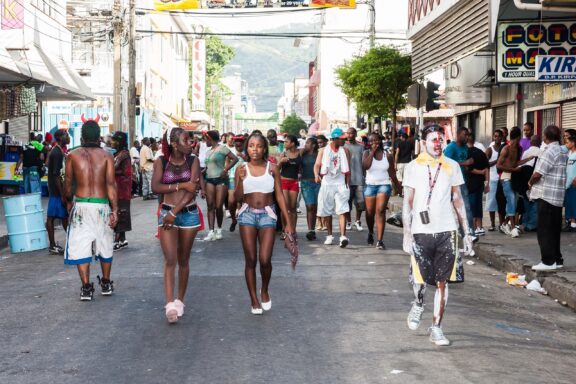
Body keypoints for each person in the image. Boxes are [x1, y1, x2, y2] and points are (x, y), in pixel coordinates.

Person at [402, 124, 473, 347]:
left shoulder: (452, 166)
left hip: (447, 230)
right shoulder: (413, 167)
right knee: (420, 281)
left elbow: (458, 199)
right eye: (433, 139)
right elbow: (408, 203)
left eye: (441, 139)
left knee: (443, 282)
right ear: (423, 142)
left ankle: (437, 327)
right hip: (421, 231)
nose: (438, 143)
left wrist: (467, 233)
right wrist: (406, 233)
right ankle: (418, 303)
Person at [234, 132, 293, 315]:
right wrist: (241, 181)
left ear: (264, 148)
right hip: (247, 215)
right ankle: (253, 299)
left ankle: (264, 289)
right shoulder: (241, 168)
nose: (255, 149)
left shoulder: (272, 168)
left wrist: (287, 222)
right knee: (250, 260)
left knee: (265, 260)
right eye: (251, 145)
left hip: (268, 215)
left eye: (259, 146)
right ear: (247, 148)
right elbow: (236, 198)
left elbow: (280, 196)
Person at [151, 127, 201, 323]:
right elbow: (156, 187)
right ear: (174, 144)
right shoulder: (162, 161)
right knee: (170, 259)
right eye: (186, 140)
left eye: (190, 140)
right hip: (166, 212)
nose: (190, 143)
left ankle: (180, 301)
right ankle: (170, 304)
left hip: (187, 214)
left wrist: (174, 212)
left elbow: (193, 189)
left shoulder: (193, 161)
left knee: (184, 260)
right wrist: (180, 186)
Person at [64, 121, 118, 301]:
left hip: (81, 206)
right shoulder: (107, 156)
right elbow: (111, 185)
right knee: (105, 243)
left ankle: (86, 287)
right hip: (102, 205)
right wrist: (115, 211)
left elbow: (68, 186)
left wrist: (68, 203)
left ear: (81, 137)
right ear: (98, 137)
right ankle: (106, 282)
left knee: (80, 247)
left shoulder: (72, 155)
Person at [529, 125, 568, 271]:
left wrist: (530, 182)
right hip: (557, 196)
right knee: (554, 230)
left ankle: (547, 261)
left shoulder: (549, 151)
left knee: (544, 230)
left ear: (546, 137)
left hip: (546, 195)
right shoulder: (562, 150)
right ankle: (557, 259)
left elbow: (539, 173)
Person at [362, 132, 401, 249]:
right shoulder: (366, 153)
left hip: (384, 185)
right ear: (368, 143)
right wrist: (372, 152)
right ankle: (370, 232)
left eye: (376, 140)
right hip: (370, 186)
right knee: (369, 212)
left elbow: (392, 173)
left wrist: (399, 187)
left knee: (380, 211)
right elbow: (365, 166)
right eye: (372, 141)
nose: (375, 143)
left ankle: (380, 240)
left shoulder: (387, 155)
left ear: (380, 141)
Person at [314, 128, 351, 247]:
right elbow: (317, 165)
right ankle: (329, 235)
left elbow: (348, 169)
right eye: (342, 139)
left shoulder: (345, 151)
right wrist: (316, 175)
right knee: (327, 210)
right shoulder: (323, 151)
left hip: (340, 183)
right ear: (335, 139)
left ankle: (343, 236)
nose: (344, 140)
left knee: (343, 209)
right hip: (327, 183)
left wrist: (347, 184)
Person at [203, 130, 238, 241]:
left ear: (211, 139)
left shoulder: (223, 148)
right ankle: (211, 231)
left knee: (218, 206)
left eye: (206, 139)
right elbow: (208, 166)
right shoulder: (208, 152)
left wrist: (226, 169)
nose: (205, 142)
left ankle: (219, 229)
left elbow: (235, 159)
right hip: (209, 179)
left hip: (221, 180)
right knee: (210, 206)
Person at [444, 127, 475, 238]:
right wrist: (464, 163)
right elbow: (445, 163)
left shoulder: (465, 148)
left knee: (466, 208)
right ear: (458, 135)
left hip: (462, 182)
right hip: (450, 183)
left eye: (468, 135)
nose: (467, 137)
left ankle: (469, 233)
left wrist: (467, 166)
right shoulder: (451, 148)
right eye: (465, 135)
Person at [46, 129, 70, 254]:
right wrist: (62, 194)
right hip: (56, 191)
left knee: (64, 217)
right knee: (52, 218)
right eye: (66, 135)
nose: (68, 137)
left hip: (57, 190)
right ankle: (52, 245)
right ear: (60, 138)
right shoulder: (57, 153)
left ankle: (71, 243)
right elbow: (56, 175)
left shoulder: (58, 151)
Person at [497, 126, 523, 238]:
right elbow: (499, 165)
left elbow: (515, 163)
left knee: (513, 202)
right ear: (518, 137)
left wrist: (528, 159)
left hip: (514, 178)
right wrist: (514, 170)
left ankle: (503, 224)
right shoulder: (506, 149)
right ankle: (512, 227)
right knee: (511, 199)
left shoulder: (518, 148)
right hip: (505, 177)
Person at [111, 132, 132, 251]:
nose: (112, 142)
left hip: (122, 189)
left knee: (120, 212)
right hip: (117, 188)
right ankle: (123, 239)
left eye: (114, 140)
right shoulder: (118, 154)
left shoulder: (124, 155)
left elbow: (126, 172)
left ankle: (117, 239)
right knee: (121, 211)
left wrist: (110, 171)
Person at [279, 135, 302, 237]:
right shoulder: (283, 154)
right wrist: (281, 161)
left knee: (293, 208)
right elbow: (277, 168)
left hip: (294, 182)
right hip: (284, 181)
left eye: (286, 142)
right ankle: (284, 230)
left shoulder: (300, 152)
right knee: (285, 207)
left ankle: (293, 230)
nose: (284, 143)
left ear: (292, 143)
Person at [466, 134, 490, 235]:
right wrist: (486, 184)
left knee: (471, 206)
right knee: (478, 205)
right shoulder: (481, 153)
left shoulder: (466, 153)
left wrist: (480, 172)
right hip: (480, 184)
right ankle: (479, 227)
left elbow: (468, 169)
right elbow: (487, 169)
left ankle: (473, 227)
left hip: (469, 184)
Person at [517, 135, 541, 232]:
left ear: (530, 142)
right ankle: (532, 225)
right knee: (535, 203)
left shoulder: (526, 152)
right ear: (539, 142)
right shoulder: (541, 152)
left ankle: (525, 223)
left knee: (526, 202)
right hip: (536, 179)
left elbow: (521, 166)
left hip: (525, 181)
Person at [344, 128, 366, 232]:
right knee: (347, 202)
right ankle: (348, 221)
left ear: (355, 134)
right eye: (348, 133)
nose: (350, 135)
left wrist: (365, 177)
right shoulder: (342, 146)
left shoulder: (361, 147)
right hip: (346, 180)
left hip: (359, 179)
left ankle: (357, 221)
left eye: (352, 133)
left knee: (360, 203)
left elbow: (364, 163)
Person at [301, 137, 321, 240]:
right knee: (309, 206)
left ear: (313, 145)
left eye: (308, 143)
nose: (305, 145)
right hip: (306, 183)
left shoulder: (319, 154)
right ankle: (310, 230)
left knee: (315, 207)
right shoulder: (302, 154)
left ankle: (313, 230)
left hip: (318, 183)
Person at [485, 130, 505, 231]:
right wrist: (497, 161)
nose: (497, 138)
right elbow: (485, 164)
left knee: (501, 202)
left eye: (499, 137)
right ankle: (492, 224)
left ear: (502, 137)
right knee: (491, 202)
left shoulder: (504, 148)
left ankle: (502, 224)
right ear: (493, 137)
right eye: (495, 136)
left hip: (502, 179)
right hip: (492, 179)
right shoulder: (490, 149)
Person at [227, 136, 246, 232]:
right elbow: (226, 162)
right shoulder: (230, 151)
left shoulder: (247, 151)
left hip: (244, 178)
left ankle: (243, 222)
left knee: (243, 201)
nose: (238, 146)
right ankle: (234, 220)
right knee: (231, 201)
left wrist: (243, 156)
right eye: (236, 144)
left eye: (240, 145)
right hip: (231, 177)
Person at [315, 134, 329, 232]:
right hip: (316, 179)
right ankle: (318, 221)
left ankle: (324, 222)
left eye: (321, 142)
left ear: (325, 141)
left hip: (326, 179)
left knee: (325, 201)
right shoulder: (313, 152)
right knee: (317, 202)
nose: (320, 144)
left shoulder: (328, 151)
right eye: (318, 143)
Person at [563, 133, 576, 232]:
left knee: (574, 203)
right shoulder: (568, 154)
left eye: (568, 143)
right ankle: (569, 222)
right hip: (567, 183)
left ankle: (574, 223)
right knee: (569, 203)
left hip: (574, 182)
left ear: (573, 143)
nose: (566, 144)